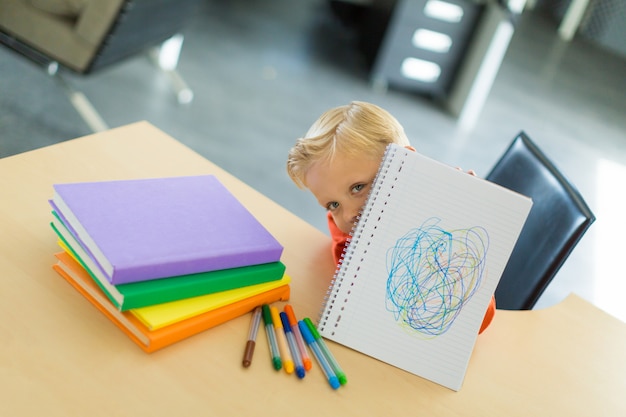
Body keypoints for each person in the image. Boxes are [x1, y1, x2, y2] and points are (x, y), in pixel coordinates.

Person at [286, 101, 495, 334]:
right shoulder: (350, 227)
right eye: (333, 204)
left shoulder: (445, 228)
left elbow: (478, 322)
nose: (348, 214)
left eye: (358, 188)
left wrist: (459, 217)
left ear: (405, 164)